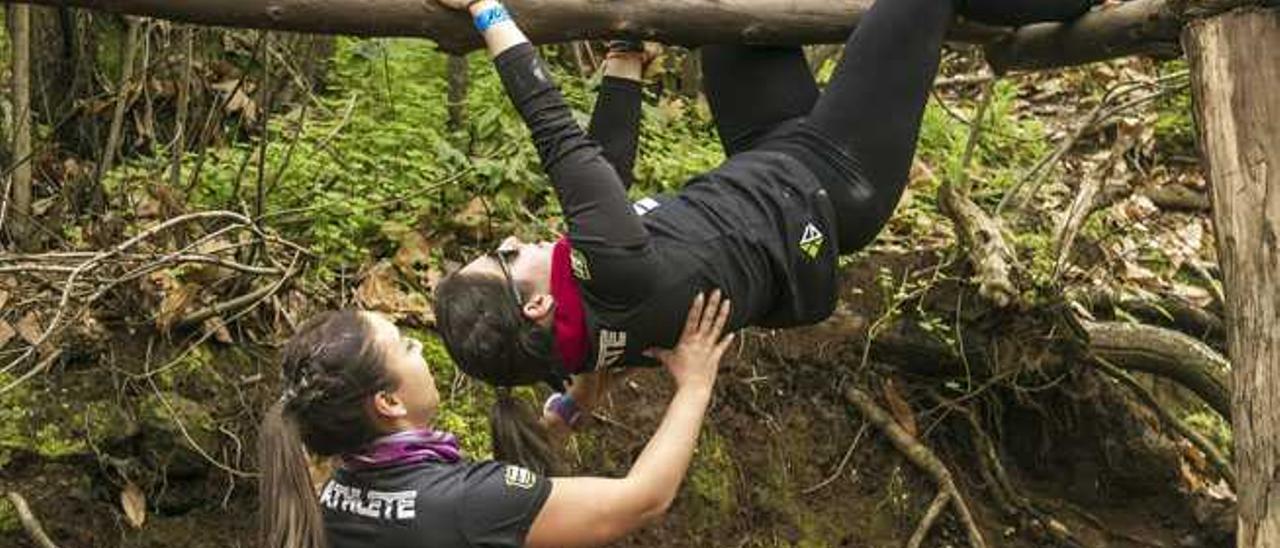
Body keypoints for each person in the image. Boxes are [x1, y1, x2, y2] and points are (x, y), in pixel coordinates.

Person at [433, 0, 1097, 459]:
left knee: (714, 14)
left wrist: (623, 58)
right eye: (502, 257)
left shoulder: (578, 337)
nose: (514, 242)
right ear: (535, 302)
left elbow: (606, 170)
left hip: (769, 158)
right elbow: (557, 135)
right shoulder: (609, 273)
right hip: (836, 177)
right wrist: (489, 14)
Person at [258, 292, 735, 548]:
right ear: (388, 403)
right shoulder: (465, 503)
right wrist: (694, 385)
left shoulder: (337, 491)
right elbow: (640, 501)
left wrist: (570, 409)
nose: (420, 345)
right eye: (405, 345)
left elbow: (463, 505)